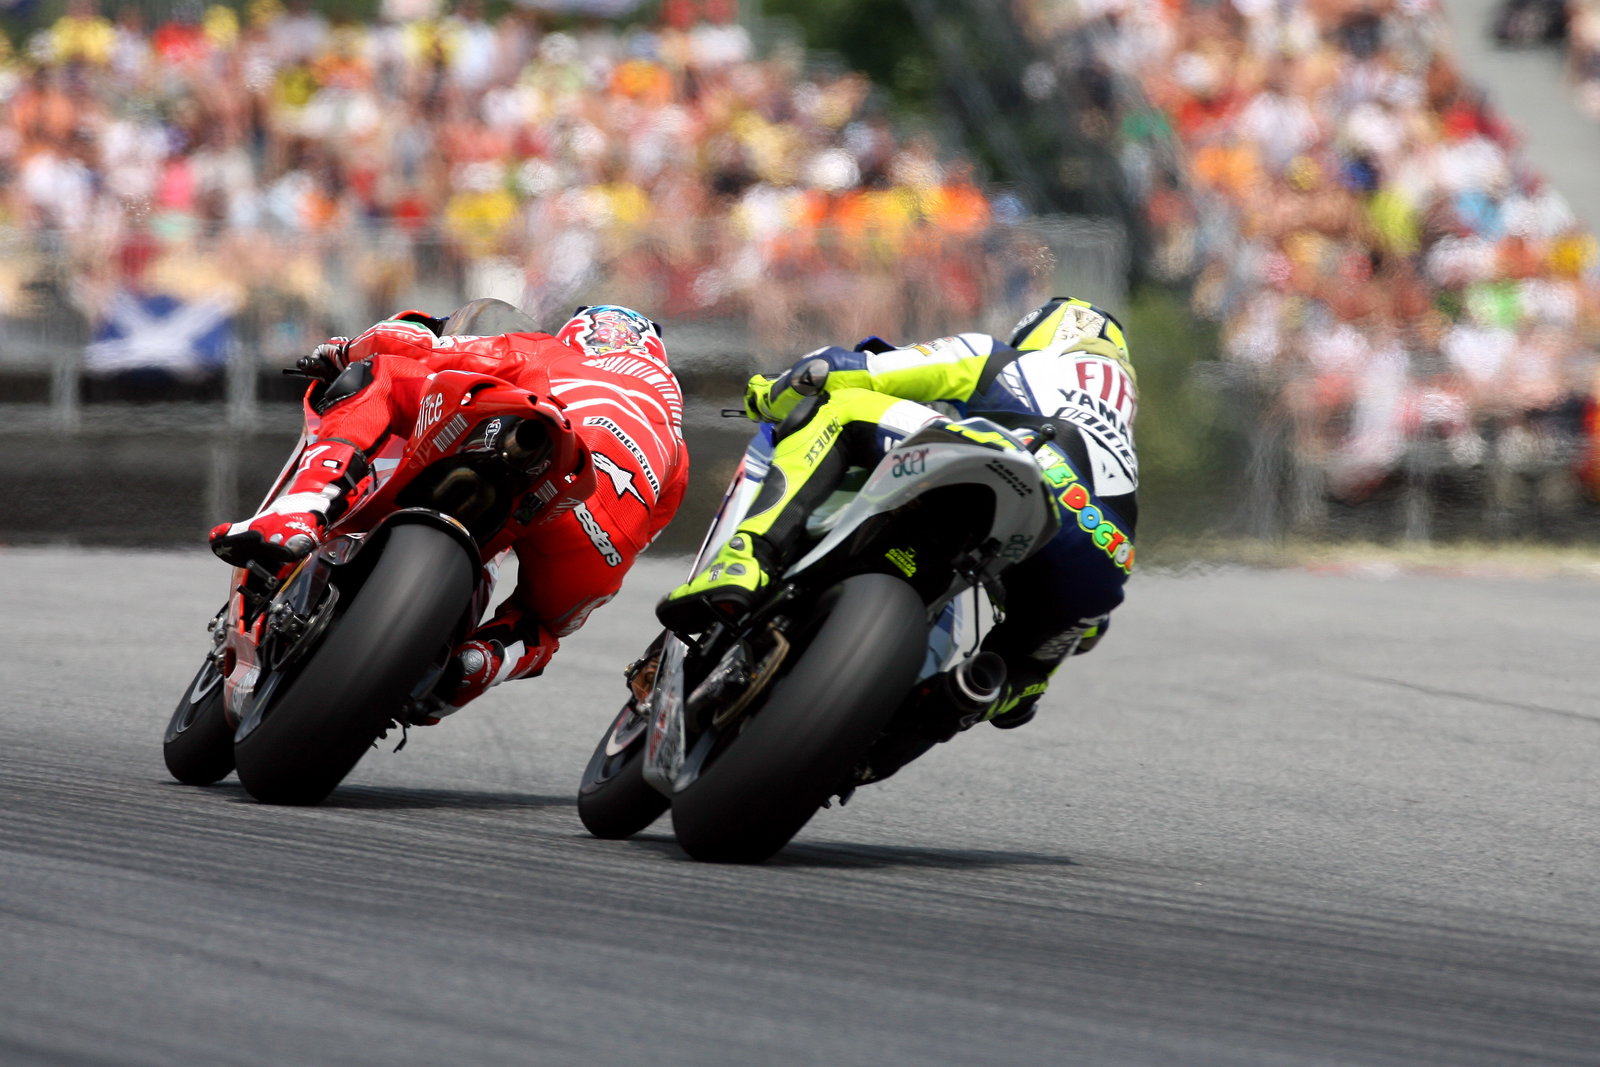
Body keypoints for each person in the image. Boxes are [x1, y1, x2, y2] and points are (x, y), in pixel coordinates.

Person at [656, 296, 1136, 731]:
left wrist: (767, 397)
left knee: (841, 406)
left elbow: (842, 369)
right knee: (1014, 683)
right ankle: (921, 720)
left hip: (1006, 457)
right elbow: (1090, 631)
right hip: (1105, 547)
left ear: (1037, 336)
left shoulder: (1002, 360)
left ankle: (749, 557)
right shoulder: (1122, 433)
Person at [210, 304, 688, 716]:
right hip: (604, 532)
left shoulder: (552, 350)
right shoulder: (676, 441)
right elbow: (650, 530)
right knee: (543, 624)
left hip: (547, 439)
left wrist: (341, 350)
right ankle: (482, 661)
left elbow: (415, 346)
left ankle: (304, 509)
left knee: (386, 376)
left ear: (580, 333)